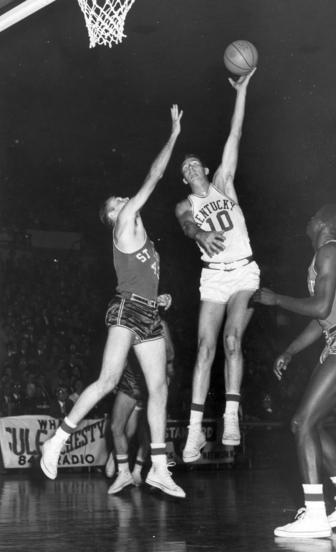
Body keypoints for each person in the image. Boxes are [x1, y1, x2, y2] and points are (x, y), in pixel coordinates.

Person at [40, 105, 185, 499]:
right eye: (116, 202)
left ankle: (156, 466)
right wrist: (173, 135)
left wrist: (161, 296)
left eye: (122, 199)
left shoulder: (142, 237)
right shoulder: (124, 223)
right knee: (107, 380)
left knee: (158, 389)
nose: (122, 199)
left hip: (149, 311)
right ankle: (56, 441)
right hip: (127, 310)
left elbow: (144, 276)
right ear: (113, 217)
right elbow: (154, 176)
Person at [252, 204, 336, 538]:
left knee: (301, 422)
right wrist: (290, 351)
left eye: (311, 218)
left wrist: (276, 299)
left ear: (322, 224)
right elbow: (322, 317)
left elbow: (321, 307)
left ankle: (316, 513)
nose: (307, 221)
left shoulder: (330, 250)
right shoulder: (322, 258)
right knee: (311, 423)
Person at [175, 69, 260, 463]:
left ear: (206, 170)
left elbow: (236, 134)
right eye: (186, 168)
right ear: (184, 178)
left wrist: (241, 92)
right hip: (213, 277)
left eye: (196, 164)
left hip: (243, 271)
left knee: (231, 341)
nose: (192, 169)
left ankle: (230, 418)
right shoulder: (184, 205)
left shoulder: (224, 183)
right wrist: (198, 235)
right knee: (206, 348)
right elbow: (188, 225)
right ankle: (193, 433)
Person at [106, 295, 175, 495]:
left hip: (148, 383)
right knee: (117, 427)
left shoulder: (160, 325)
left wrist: (153, 350)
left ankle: (137, 470)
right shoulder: (126, 318)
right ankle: (122, 469)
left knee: (147, 432)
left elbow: (170, 356)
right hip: (130, 380)